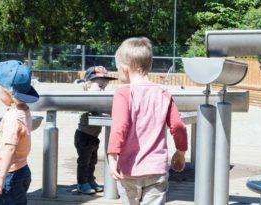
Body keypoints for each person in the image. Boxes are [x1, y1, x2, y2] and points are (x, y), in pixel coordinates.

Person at [107, 37, 188, 205]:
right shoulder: (163, 93)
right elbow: (178, 126)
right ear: (148, 66)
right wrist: (180, 152)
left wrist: (113, 157)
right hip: (156, 170)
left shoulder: (123, 93)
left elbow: (119, 126)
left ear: (124, 68)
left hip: (128, 169)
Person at [0, 60, 39, 205]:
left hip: (9, 174)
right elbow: (9, 132)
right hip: (20, 170)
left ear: (7, 91)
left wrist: (1, 177)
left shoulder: (12, 117)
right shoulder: (22, 110)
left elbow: (9, 147)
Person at [75, 66, 116, 194]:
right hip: (84, 136)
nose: (103, 89)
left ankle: (90, 179)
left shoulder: (98, 96)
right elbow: (93, 110)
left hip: (93, 136)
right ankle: (82, 183)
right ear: (89, 83)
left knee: (92, 161)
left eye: (104, 86)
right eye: (100, 85)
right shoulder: (88, 97)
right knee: (84, 161)